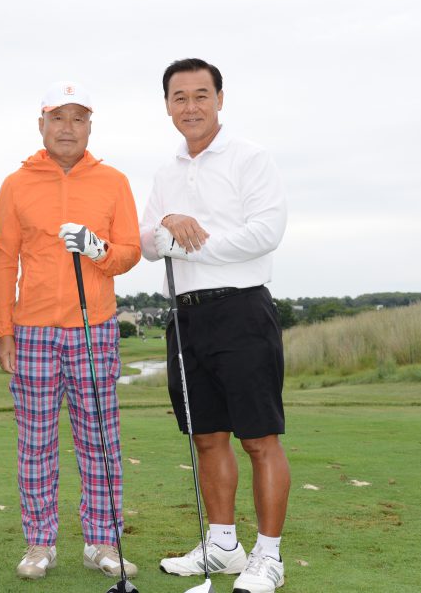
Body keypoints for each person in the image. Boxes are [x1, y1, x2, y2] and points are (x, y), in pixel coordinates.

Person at [139, 58, 289, 593]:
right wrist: (167, 222)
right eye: (179, 97)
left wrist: (188, 243)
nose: (191, 106)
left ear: (220, 99)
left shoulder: (250, 157)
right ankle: (224, 546)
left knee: (259, 439)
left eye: (201, 95)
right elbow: (145, 243)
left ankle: (269, 556)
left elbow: (266, 232)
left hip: (242, 310)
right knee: (206, 437)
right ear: (167, 106)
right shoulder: (166, 172)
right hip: (185, 317)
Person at [0, 81, 141, 581]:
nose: (68, 128)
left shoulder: (113, 181)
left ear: (90, 126)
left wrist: (98, 249)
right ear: (42, 125)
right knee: (36, 443)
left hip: (94, 327)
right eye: (58, 118)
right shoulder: (17, 184)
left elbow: (130, 251)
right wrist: (2, 329)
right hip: (32, 330)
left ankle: (102, 541)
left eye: (78, 118)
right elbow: (3, 261)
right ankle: (40, 543)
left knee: (100, 440)